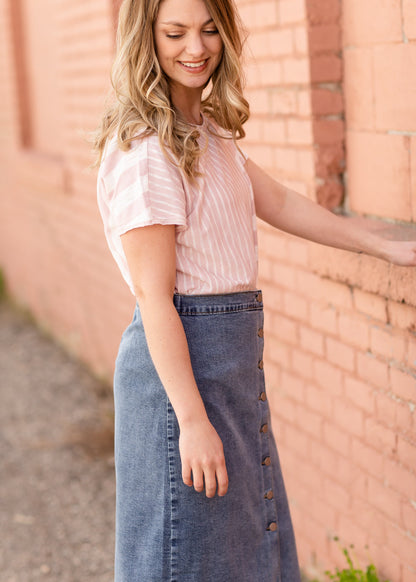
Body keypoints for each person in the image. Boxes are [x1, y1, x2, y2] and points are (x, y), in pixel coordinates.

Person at [94, 0, 416, 580]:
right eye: (175, 33)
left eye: (210, 29)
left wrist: (382, 247)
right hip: (183, 380)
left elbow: (282, 203)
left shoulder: (208, 133)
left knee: (241, 556)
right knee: (186, 559)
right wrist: (191, 421)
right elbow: (155, 299)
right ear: (145, 39)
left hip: (229, 374)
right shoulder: (147, 152)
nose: (196, 48)